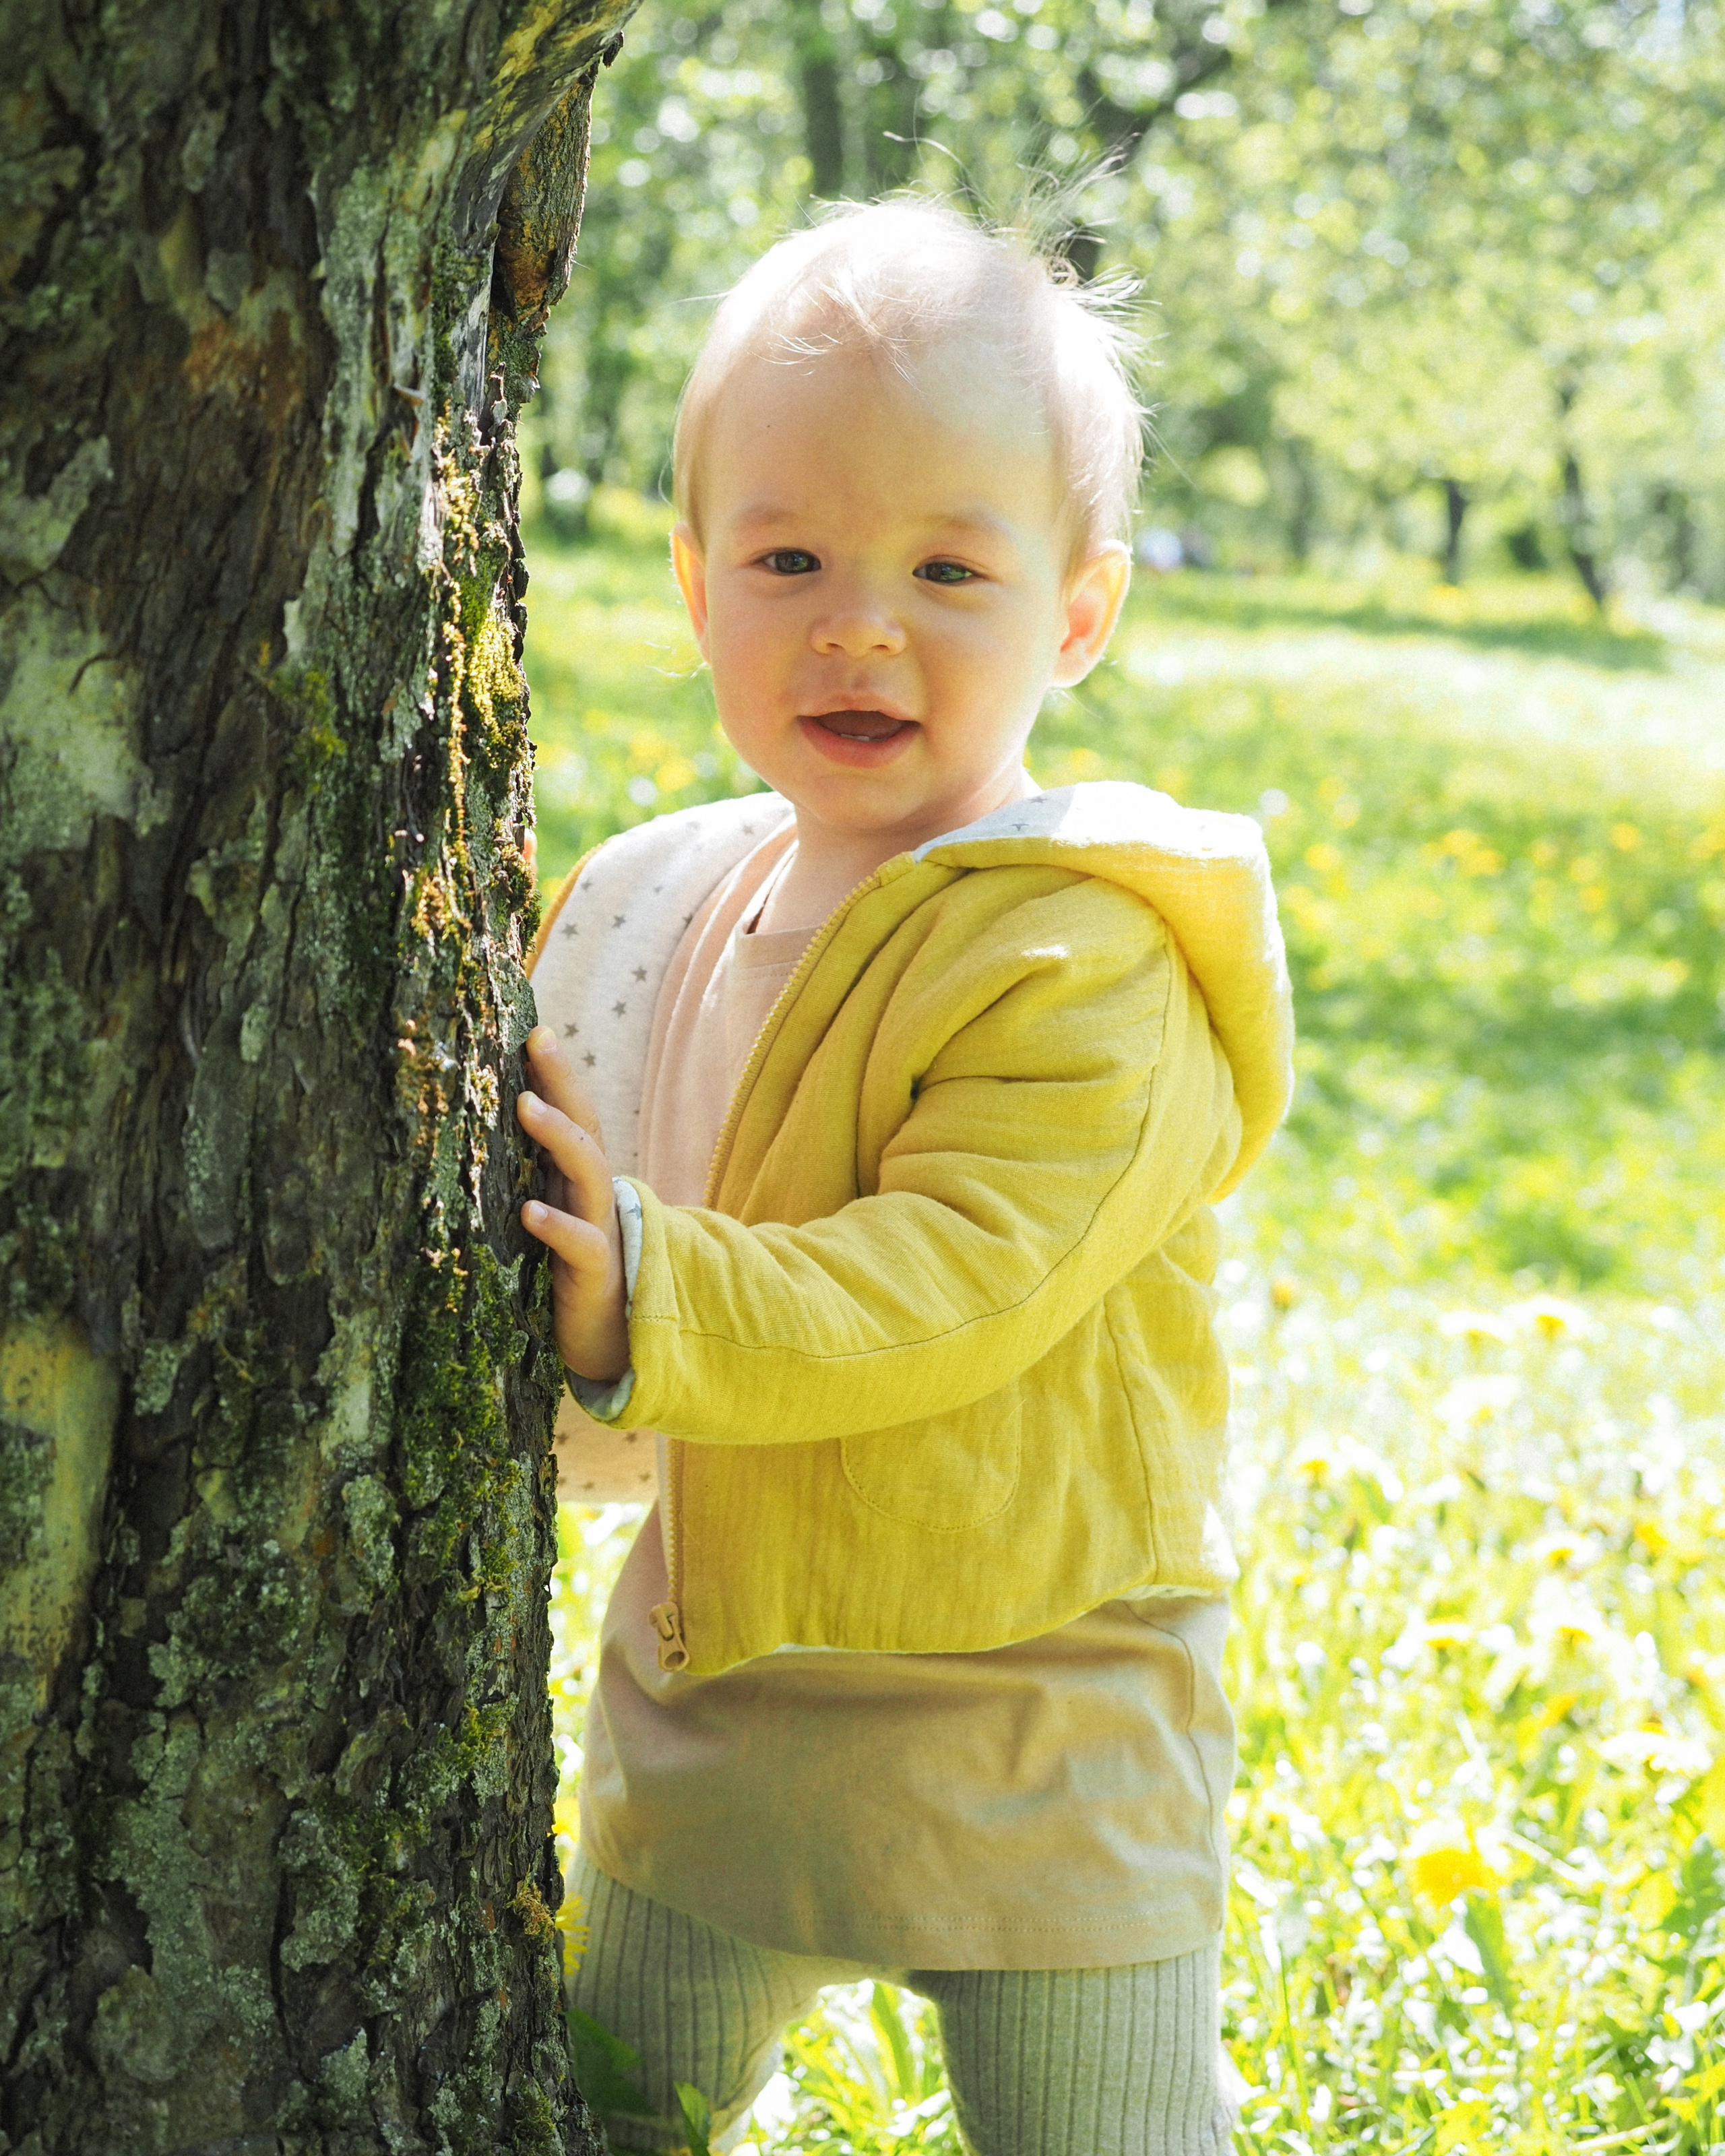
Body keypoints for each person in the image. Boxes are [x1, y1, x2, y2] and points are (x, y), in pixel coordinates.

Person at [516, 197, 1294, 2156]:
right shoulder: (679, 897)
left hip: (1044, 1714)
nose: (859, 625)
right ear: (695, 580)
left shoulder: (1083, 947)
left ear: (1079, 616)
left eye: (950, 568)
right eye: (788, 557)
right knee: (604, 2110)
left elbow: (960, 1274)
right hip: (728, 1686)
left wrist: (649, 1292)